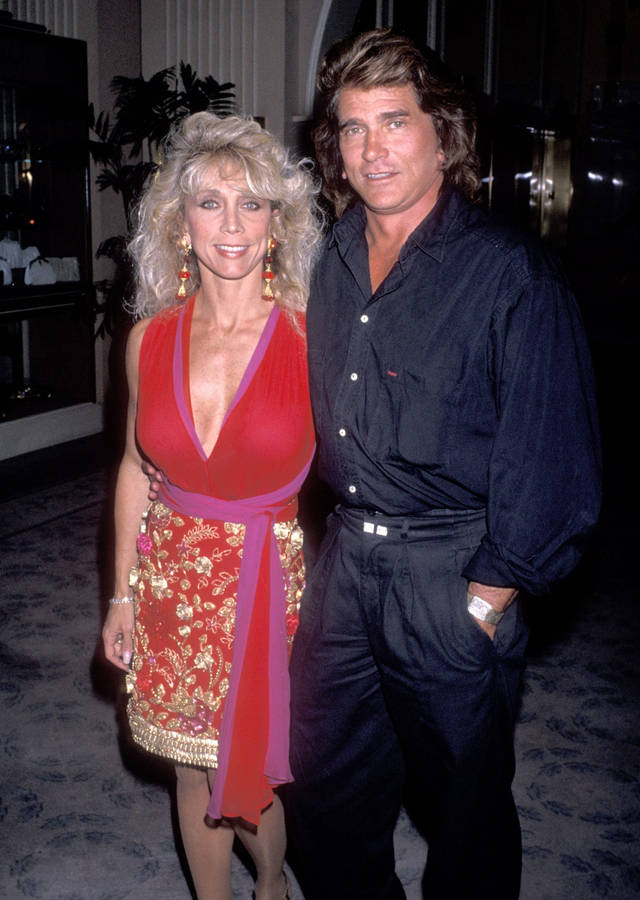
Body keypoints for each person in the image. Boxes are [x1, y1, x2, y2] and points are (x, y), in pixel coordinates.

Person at [285, 29, 602, 900]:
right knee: (321, 791)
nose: (372, 148)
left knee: (464, 810)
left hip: (453, 566)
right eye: (352, 129)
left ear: (444, 134)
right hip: (346, 561)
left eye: (394, 121)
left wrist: (491, 592)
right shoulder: (327, 258)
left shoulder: (510, 275)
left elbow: (556, 460)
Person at [101, 111, 321, 900]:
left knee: (252, 765)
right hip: (174, 581)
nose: (231, 224)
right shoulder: (148, 339)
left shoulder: (311, 334)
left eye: (252, 203)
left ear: (277, 224)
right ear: (180, 223)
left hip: (268, 578)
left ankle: (270, 885)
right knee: (192, 767)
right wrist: (121, 593)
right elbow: (133, 468)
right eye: (210, 203)